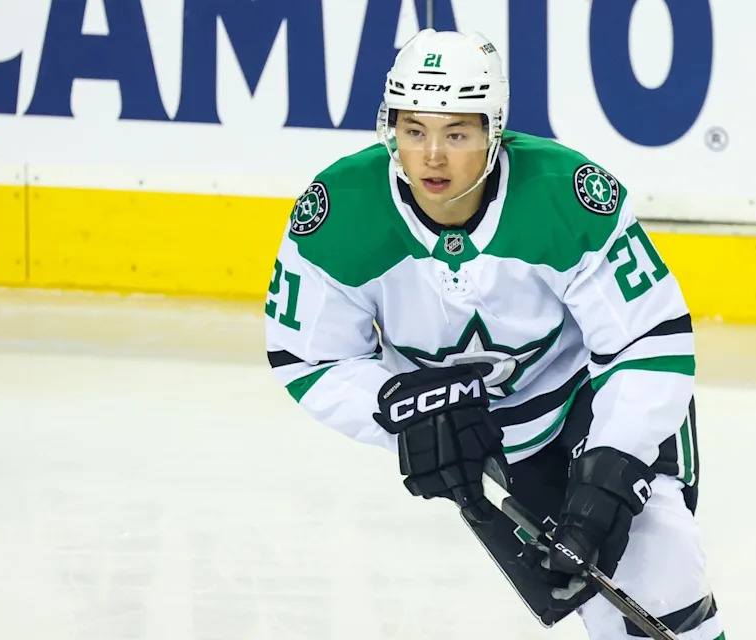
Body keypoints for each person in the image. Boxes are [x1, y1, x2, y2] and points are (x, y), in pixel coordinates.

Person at [265, 28, 725, 640]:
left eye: (455, 133)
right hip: (490, 437)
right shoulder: (340, 214)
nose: (431, 156)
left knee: (661, 569)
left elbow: (648, 339)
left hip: (588, 397)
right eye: (414, 130)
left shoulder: (566, 195)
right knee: (597, 604)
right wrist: (404, 416)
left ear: (493, 130)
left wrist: (611, 466)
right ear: (391, 128)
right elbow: (310, 357)